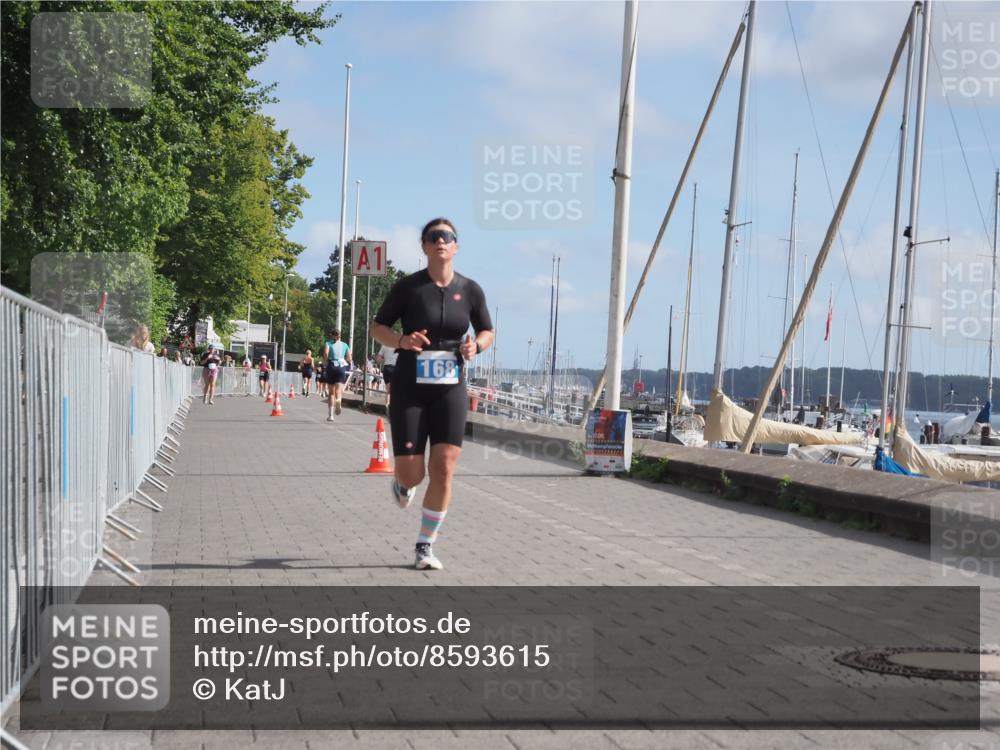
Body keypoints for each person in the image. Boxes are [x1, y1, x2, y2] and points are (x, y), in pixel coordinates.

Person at [371, 218, 494, 571]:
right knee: (413, 474)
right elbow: (377, 327)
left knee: (444, 468)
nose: (441, 241)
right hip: (411, 386)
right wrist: (402, 341)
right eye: (433, 236)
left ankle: (425, 546)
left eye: (448, 236)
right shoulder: (409, 288)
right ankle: (401, 483)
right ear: (424, 246)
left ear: (456, 246)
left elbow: (486, 330)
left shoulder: (470, 290)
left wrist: (477, 347)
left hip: (450, 388)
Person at [322, 329, 352, 422]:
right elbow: (349, 358)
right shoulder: (345, 345)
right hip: (341, 367)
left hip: (331, 366)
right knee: (338, 391)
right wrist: (346, 362)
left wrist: (326, 361)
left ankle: (331, 416)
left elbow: (326, 354)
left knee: (331, 392)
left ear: (332, 335)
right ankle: (338, 400)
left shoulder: (328, 343)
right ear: (339, 336)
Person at [378, 343, 398, 407]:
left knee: (388, 390)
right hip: (397, 368)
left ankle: (387, 405)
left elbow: (378, 359)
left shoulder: (384, 345)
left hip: (387, 368)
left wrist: (386, 359)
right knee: (396, 390)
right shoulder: (399, 344)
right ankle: (394, 406)